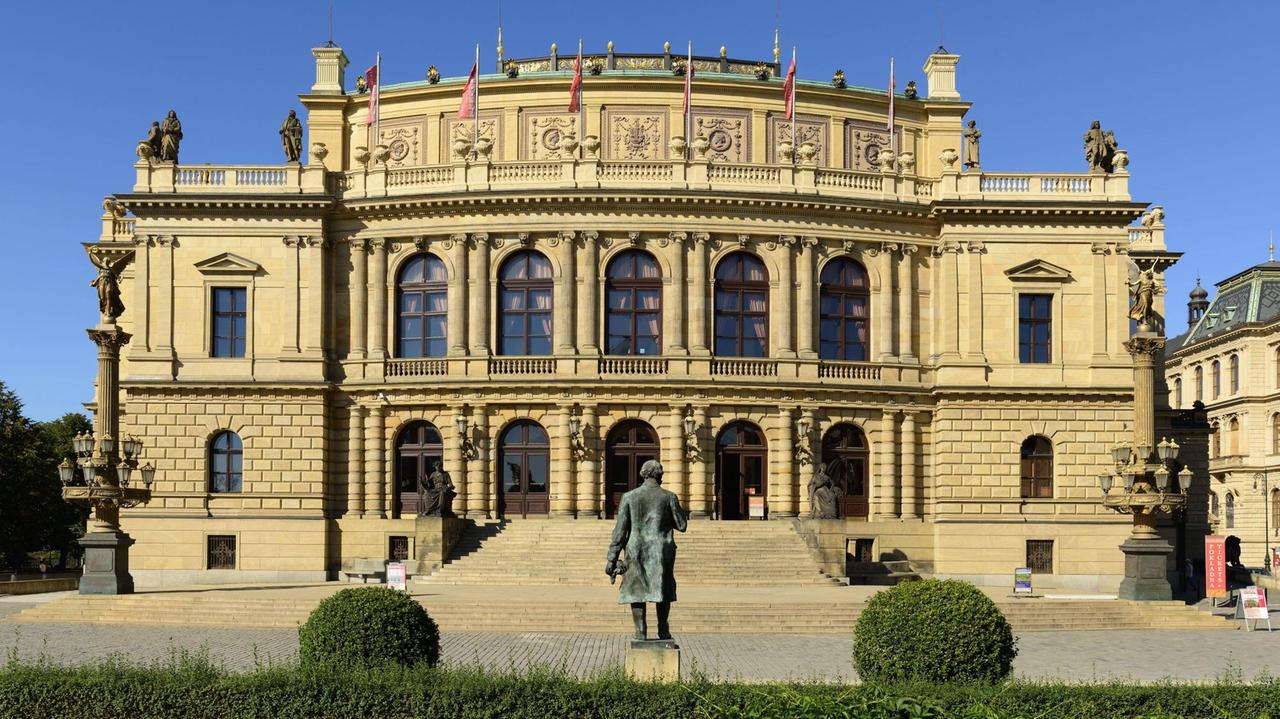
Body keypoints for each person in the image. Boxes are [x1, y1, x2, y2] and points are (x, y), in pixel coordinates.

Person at [605, 460, 688, 641]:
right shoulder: (669, 497)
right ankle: (663, 629)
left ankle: (640, 631)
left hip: (635, 549)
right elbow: (682, 525)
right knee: (663, 588)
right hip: (661, 551)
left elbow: (620, 531)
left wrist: (612, 557)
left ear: (643, 474)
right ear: (660, 475)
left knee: (637, 589)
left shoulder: (629, 497)